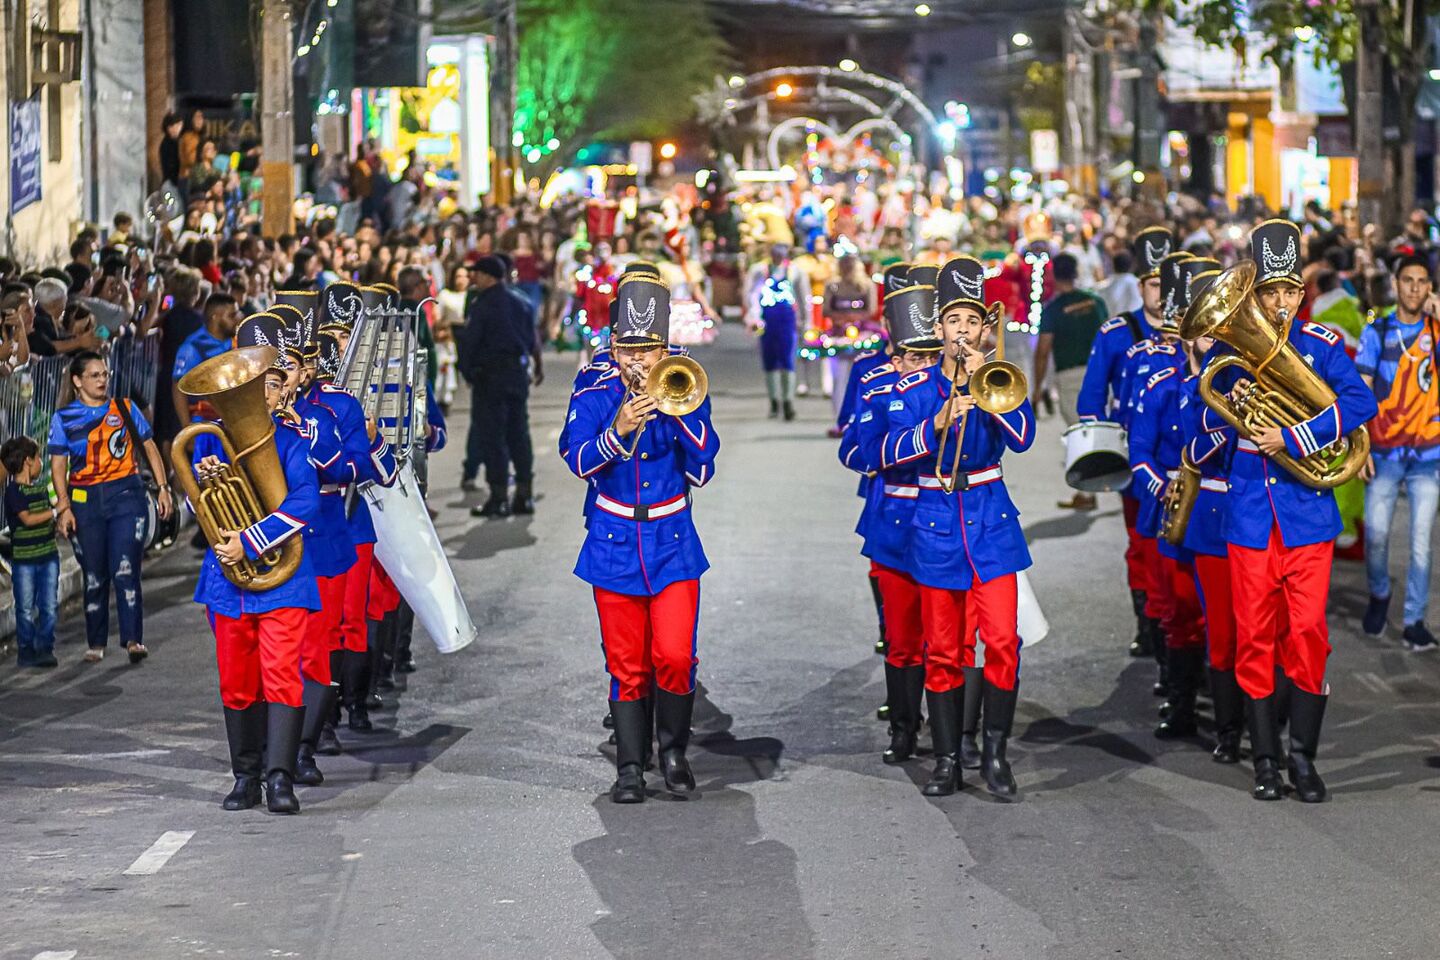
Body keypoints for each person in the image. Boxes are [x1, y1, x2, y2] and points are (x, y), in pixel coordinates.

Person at [1203, 219, 1377, 802]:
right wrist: (1231, 401)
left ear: (1302, 293)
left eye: (1288, 292)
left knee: (1308, 633)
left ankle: (1303, 758)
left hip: (1306, 513)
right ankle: (1266, 761)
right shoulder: (1227, 354)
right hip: (1251, 511)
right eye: (1268, 293)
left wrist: (1298, 436)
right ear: (1253, 296)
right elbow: (1203, 423)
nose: (1279, 303)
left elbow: (1360, 401)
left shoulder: (1322, 345)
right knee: (1253, 634)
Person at [877, 254, 1037, 799]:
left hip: (991, 522)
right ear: (938, 328)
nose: (963, 332)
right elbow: (885, 453)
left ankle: (994, 751)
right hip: (936, 524)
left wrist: (988, 394)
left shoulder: (1000, 380)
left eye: (972, 322)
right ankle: (947, 758)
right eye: (954, 322)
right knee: (943, 650)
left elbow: (1023, 437)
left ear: (983, 329)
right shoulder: (914, 388)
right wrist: (935, 423)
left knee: (1003, 642)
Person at [560, 272, 720, 804]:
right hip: (613, 537)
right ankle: (631, 765)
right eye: (629, 349)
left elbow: (704, 466)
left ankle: (673, 751)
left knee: (674, 655)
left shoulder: (685, 382)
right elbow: (577, 457)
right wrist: (620, 428)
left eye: (649, 350)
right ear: (613, 346)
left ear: (664, 349)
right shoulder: (593, 388)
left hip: (672, 538)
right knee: (627, 663)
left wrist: (675, 411)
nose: (639, 361)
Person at [187, 352, 320, 814]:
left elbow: (306, 502)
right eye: (256, 385)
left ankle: (279, 778)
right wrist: (204, 488)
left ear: (284, 391)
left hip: (282, 580)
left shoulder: (293, 443)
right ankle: (246, 777)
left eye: (271, 384)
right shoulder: (211, 444)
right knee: (237, 683)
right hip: (228, 583)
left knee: (282, 676)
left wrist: (251, 539)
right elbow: (197, 509)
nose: (264, 393)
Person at [845, 282, 944, 763]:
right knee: (903, 638)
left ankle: (957, 731)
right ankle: (905, 728)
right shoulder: (872, 382)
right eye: (909, 355)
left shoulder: (955, 385)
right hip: (894, 521)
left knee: (948, 637)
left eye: (928, 355)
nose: (918, 365)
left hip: (948, 520)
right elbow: (857, 450)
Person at [1075, 227, 1174, 649]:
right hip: (1135, 460)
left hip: (1184, 457)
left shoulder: (1195, 332)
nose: (1162, 293)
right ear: (1140, 286)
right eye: (1155, 285)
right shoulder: (1115, 333)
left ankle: (1180, 633)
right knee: (1141, 543)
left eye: (1169, 285)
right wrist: (1102, 455)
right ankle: (1149, 626)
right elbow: (1091, 398)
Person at [49, 352, 174, 663]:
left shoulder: (125, 408)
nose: (103, 379)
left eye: (104, 373)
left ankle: (133, 639)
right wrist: (63, 507)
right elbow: (58, 465)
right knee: (94, 574)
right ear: (77, 381)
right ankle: (96, 641)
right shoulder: (63, 418)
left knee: (125, 567)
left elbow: (148, 446)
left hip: (125, 495)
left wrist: (163, 488)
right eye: (94, 375)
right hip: (85, 500)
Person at [1356, 253, 1440, 650]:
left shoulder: (1436, 330)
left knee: (1421, 542)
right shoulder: (1378, 330)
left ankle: (1413, 620)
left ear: (1430, 288)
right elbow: (1360, 391)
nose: (1414, 289)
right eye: (1408, 280)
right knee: (1376, 536)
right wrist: (1360, 448)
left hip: (1428, 458)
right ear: (1395, 283)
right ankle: (1378, 594)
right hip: (1385, 453)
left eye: (1422, 282)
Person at [459, 255, 541, 516]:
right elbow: (531, 339)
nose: (474, 278)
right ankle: (524, 494)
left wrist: (469, 371)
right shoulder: (521, 302)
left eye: (477, 274)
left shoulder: (483, 304)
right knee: (519, 434)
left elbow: (470, 342)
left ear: (488, 276)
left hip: (491, 377)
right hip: (516, 374)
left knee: (493, 438)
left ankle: (499, 497)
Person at [1032, 251, 1111, 429]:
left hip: (1069, 377)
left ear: (1053, 275)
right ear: (1076, 272)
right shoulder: (1096, 302)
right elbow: (1109, 339)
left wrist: (1038, 388)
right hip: (1100, 373)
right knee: (1102, 430)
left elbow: (1042, 352)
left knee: (1080, 433)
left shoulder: (1052, 310)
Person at [3, 437, 60, 669]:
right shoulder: (13, 492)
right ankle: (26, 650)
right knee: (25, 607)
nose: (40, 464)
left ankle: (45, 648)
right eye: (37, 458)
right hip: (24, 561)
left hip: (47, 556)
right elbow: (28, 519)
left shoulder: (40, 489)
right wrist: (56, 512)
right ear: (28, 461)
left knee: (48, 606)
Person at [745, 243, 807, 420]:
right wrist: (754, 317)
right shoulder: (761, 271)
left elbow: (804, 297)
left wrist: (806, 320)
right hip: (768, 319)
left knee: (788, 359)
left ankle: (788, 400)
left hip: (787, 319)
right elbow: (753, 295)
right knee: (770, 359)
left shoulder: (795, 272)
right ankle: (774, 400)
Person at [172, 293, 240, 428]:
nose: (237, 320)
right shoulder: (193, 347)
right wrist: (187, 427)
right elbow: (178, 388)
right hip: (204, 422)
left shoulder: (236, 342)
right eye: (231, 316)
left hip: (233, 421)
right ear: (215, 317)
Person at [158, 112, 184, 188]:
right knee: (170, 200)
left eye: (181, 125)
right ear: (169, 127)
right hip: (170, 185)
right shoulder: (167, 144)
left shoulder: (177, 141)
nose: (180, 128)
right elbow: (170, 167)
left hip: (174, 184)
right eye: (178, 125)